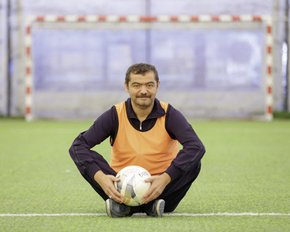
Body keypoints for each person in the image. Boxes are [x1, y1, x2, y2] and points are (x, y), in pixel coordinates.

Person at [69, 63, 205, 217]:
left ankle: (131, 207)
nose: (143, 91)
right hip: (120, 189)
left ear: (157, 86)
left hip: (162, 189)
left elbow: (196, 147)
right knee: (84, 155)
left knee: (193, 162)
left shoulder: (169, 114)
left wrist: (165, 178)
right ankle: (128, 204)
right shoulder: (115, 114)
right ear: (126, 87)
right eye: (136, 85)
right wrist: (100, 178)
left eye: (149, 85)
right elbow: (78, 146)